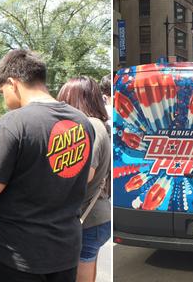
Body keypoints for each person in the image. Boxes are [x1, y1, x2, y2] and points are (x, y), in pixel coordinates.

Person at [0, 49, 95, 282]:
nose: (4, 99)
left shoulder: (14, 121)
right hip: (65, 252)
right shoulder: (82, 122)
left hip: (17, 254)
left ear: (13, 83)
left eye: (2, 91)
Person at [57, 77, 111, 282]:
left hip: (89, 217)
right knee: (89, 265)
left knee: (82, 268)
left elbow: (85, 174)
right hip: (96, 214)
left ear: (79, 100)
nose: (62, 105)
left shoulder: (92, 126)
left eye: (65, 100)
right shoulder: (98, 124)